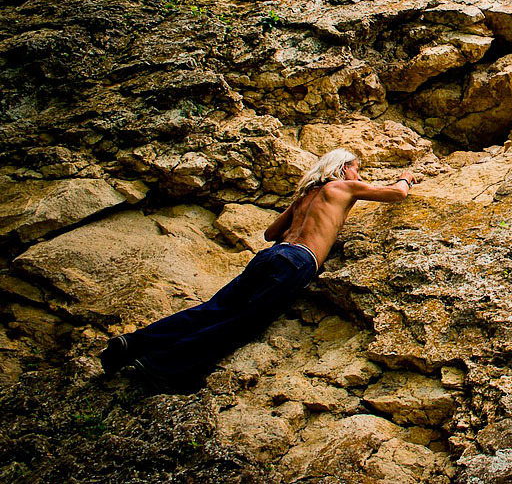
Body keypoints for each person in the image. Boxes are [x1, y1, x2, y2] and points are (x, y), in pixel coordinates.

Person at [98, 148, 417, 386]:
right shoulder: (341, 187)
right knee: (241, 322)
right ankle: (160, 367)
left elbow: (269, 234)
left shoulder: (306, 194)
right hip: (299, 261)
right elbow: (396, 194)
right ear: (343, 168)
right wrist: (406, 177)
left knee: (213, 309)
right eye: (357, 170)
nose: (358, 177)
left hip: (272, 255)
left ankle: (132, 344)